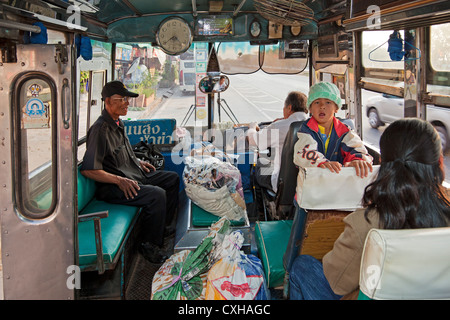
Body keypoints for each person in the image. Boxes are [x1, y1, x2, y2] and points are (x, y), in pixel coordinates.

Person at [289, 118, 450, 299]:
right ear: (439, 163)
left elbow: (336, 280)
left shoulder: (366, 223)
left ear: (383, 164)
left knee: (302, 265)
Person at [80, 80, 180, 264]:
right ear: (108, 101)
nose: (127, 103)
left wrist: (138, 162)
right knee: (156, 195)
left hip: (132, 174)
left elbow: (122, 152)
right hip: (113, 187)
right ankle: (149, 245)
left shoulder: (119, 123)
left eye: (127, 99)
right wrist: (119, 180)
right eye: (122, 99)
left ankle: (162, 226)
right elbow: (89, 169)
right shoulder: (100, 130)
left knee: (172, 179)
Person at [293, 82, 373, 177]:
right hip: (311, 185)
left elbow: (356, 147)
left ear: (336, 108)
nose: (322, 106)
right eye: (317, 102)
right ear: (310, 108)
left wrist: (358, 160)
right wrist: (320, 162)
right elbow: (303, 152)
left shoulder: (344, 131)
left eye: (328, 102)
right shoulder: (306, 130)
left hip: (338, 183)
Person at [247, 91, 308, 192]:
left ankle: (264, 205)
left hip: (280, 181)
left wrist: (252, 128)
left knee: (258, 164)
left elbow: (252, 140)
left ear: (289, 107)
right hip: (305, 182)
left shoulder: (278, 126)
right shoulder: (312, 124)